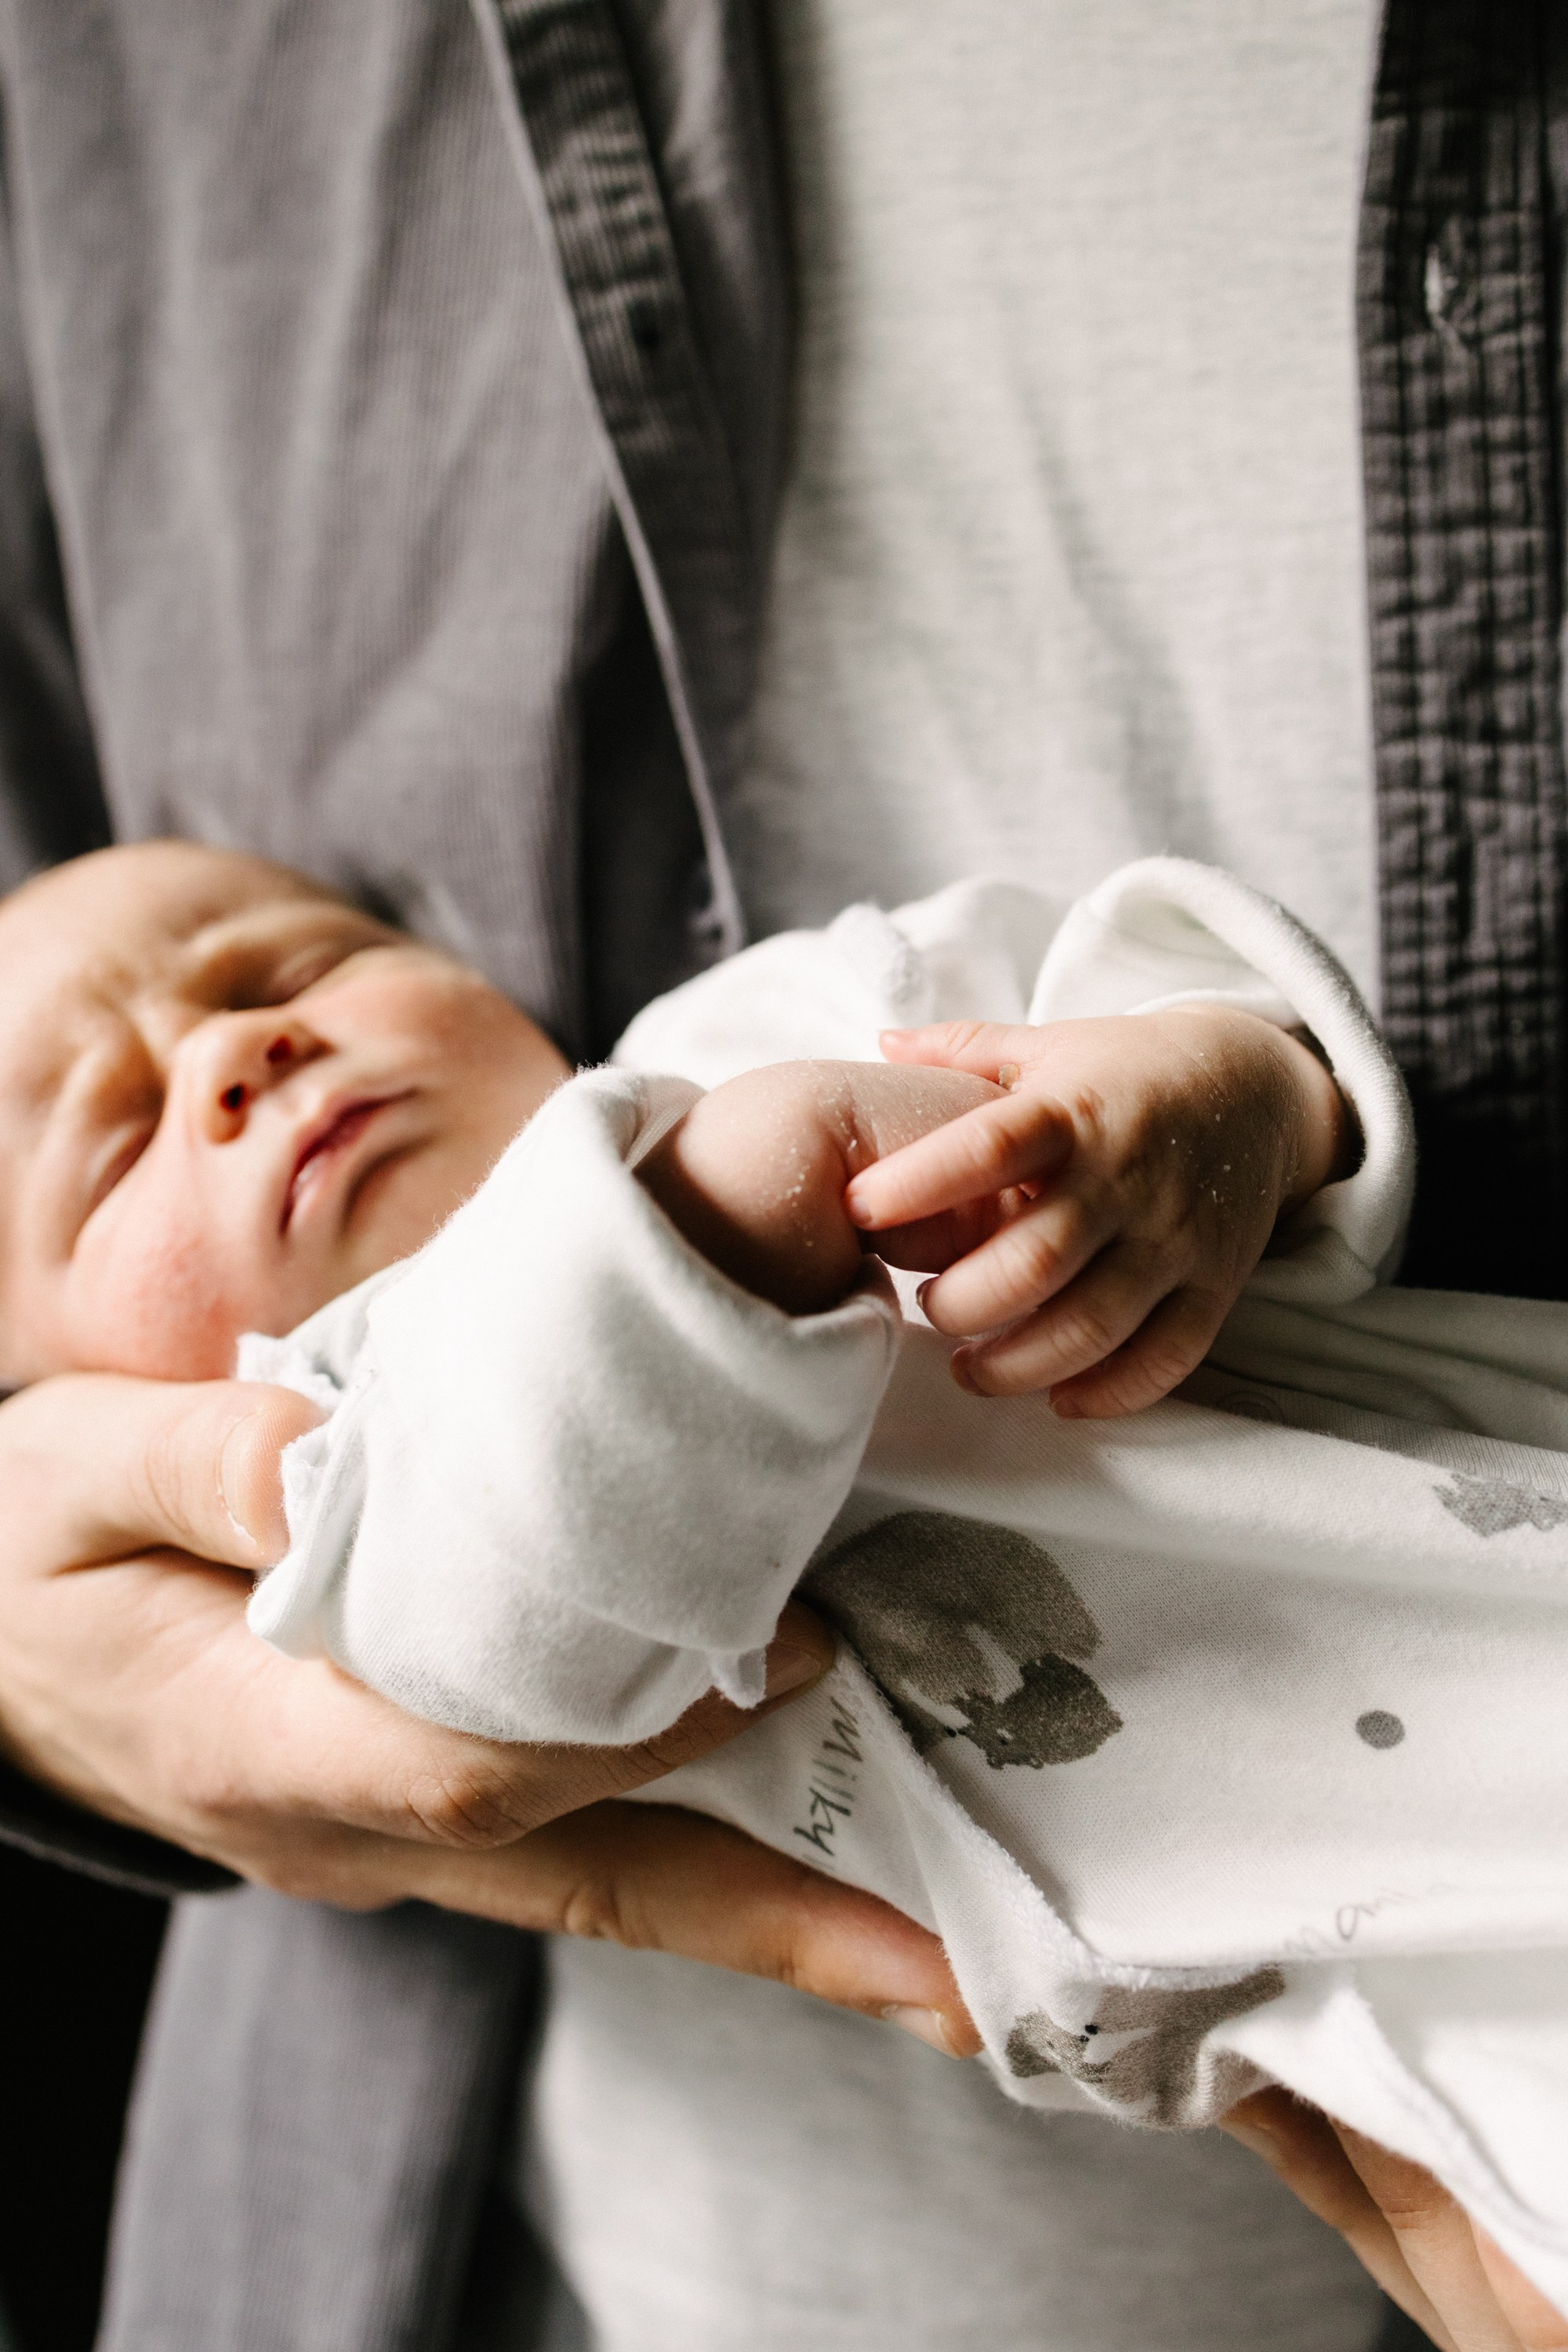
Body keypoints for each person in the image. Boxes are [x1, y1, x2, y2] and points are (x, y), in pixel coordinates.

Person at [1, 4, 1563, 2349]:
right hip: (1359, 2007)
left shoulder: (764, 1033)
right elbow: (521, 1644)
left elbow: (1129, 965)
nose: (237, 1060)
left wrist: (1224, 1097)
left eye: (280, 962)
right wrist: (713, 1224)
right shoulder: (356, 1494)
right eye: (114, 1140)